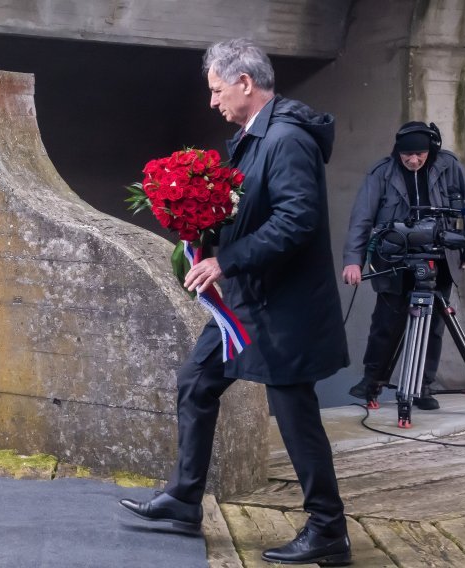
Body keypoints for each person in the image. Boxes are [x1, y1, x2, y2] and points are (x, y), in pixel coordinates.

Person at [119, 39, 352, 566]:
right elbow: (252, 209)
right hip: (248, 303)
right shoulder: (254, 135)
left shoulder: (288, 138)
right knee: (196, 383)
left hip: (283, 308)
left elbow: (298, 219)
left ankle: (329, 531)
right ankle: (183, 499)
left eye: (217, 89)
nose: (212, 101)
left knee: (295, 416)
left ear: (245, 83)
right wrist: (199, 224)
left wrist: (226, 260)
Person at [342, 122, 465, 409]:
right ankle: (372, 381)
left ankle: (422, 386)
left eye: (419, 154)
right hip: (394, 259)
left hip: (439, 258)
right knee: (386, 324)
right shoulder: (380, 172)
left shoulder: (450, 167)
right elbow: (361, 218)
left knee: (434, 325)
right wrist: (353, 261)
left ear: (431, 150)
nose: (413, 160)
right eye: (406, 155)